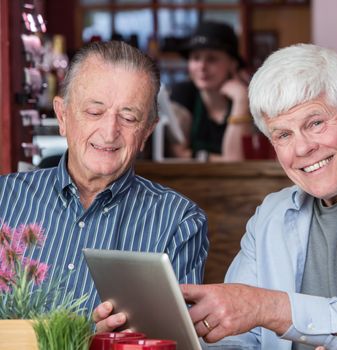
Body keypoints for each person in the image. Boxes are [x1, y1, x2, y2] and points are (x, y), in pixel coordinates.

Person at [95, 43, 337, 349]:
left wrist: (267, 307)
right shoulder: (270, 216)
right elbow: (236, 338)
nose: (302, 149)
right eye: (283, 135)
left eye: (315, 123)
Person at [0, 41, 209, 313]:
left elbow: (174, 341)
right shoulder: (5, 200)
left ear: (147, 131)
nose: (110, 132)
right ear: (62, 116)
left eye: (129, 117)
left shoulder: (179, 223)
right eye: (94, 112)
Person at [169, 21, 253, 161]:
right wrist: (219, 159)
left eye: (212, 59)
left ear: (233, 64)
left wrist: (241, 101)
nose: (202, 66)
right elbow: (179, 154)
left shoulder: (249, 99)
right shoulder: (182, 94)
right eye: (196, 58)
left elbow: (235, 162)